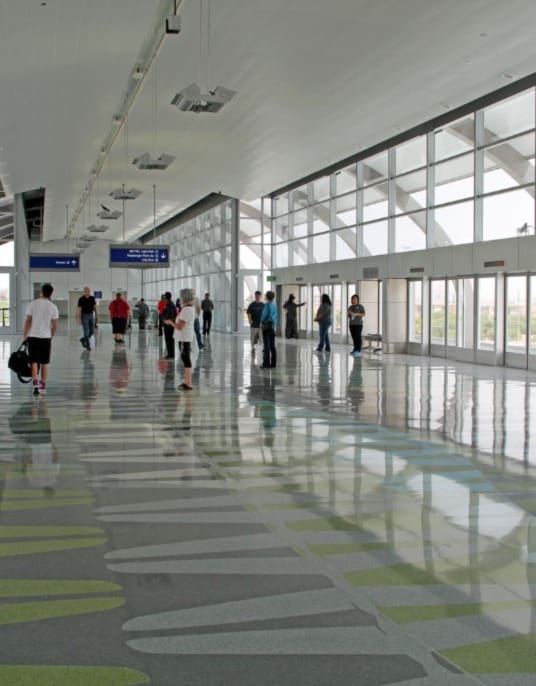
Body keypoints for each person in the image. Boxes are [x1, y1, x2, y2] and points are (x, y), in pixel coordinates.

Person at [23, 283, 59, 396]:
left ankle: (35, 383)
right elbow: (55, 326)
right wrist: (51, 336)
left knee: (33, 361)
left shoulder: (33, 304)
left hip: (33, 336)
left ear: (41, 292)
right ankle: (43, 384)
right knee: (45, 362)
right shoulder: (53, 307)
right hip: (45, 337)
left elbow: (28, 321)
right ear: (51, 293)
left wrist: (25, 335)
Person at [165, 288, 195, 391]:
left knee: (186, 358)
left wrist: (170, 322)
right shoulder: (188, 308)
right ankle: (187, 381)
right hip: (185, 336)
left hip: (185, 336)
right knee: (185, 357)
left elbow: (179, 326)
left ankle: (188, 383)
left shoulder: (187, 310)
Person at [260, 290, 277, 369]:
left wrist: (261, 321)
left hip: (266, 327)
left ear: (267, 297)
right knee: (272, 346)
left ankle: (266, 364)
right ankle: (273, 364)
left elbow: (264, 315)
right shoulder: (274, 306)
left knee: (266, 346)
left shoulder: (267, 305)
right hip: (273, 327)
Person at [77, 286, 97, 350]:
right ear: (84, 292)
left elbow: (95, 308)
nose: (87, 292)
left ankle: (83, 339)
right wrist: (79, 318)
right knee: (86, 330)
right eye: (86, 291)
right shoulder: (81, 299)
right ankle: (87, 345)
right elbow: (79, 309)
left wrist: (96, 315)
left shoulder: (92, 298)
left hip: (91, 315)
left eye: (88, 291)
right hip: (84, 315)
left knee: (92, 331)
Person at [246, 290, 264, 356]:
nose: (257, 297)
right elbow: (249, 313)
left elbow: (265, 314)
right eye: (256, 296)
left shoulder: (263, 305)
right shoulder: (252, 305)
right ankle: (253, 348)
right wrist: (249, 319)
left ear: (260, 296)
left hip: (261, 325)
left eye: (258, 296)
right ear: (255, 296)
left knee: (261, 338)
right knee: (253, 338)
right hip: (254, 325)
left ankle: (262, 349)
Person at [162, 292, 177, 359]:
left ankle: (170, 354)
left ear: (166, 297)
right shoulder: (170, 304)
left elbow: (169, 314)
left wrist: (166, 320)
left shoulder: (169, 305)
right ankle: (171, 354)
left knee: (169, 339)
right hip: (171, 324)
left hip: (169, 325)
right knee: (170, 339)